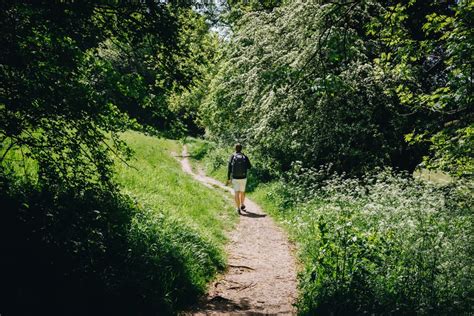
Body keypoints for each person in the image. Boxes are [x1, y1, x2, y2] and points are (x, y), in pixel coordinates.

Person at [226, 143, 252, 214]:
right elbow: (249, 166)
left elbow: (229, 168)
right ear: (241, 149)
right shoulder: (244, 156)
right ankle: (242, 204)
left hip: (235, 178)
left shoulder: (232, 156)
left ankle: (238, 208)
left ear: (235, 148)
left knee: (236, 193)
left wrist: (228, 178)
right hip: (243, 177)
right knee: (242, 192)